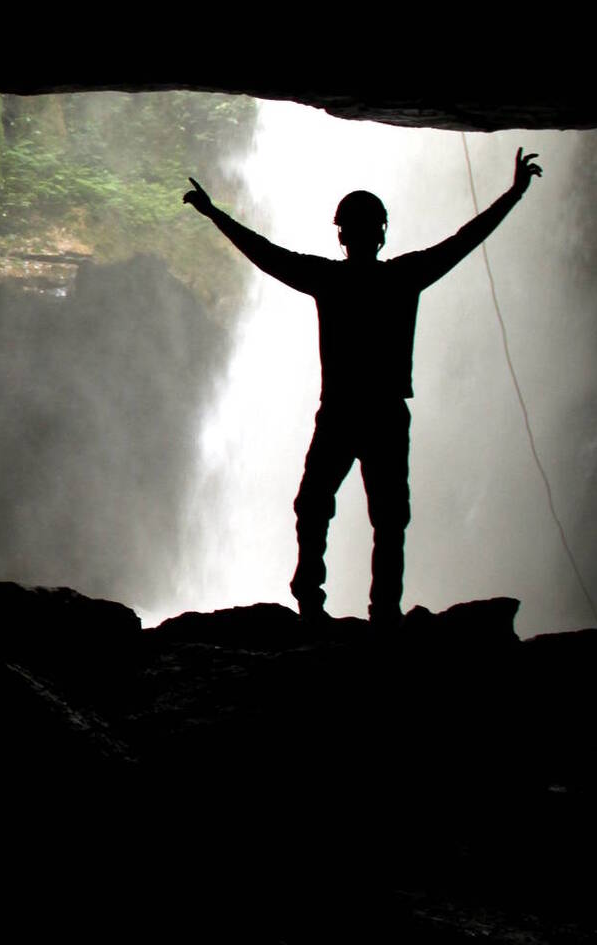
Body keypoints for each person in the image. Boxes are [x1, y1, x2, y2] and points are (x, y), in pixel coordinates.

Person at [183, 147, 543, 626]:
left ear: (342, 233)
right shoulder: (403, 276)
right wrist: (514, 193)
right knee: (388, 519)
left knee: (315, 506)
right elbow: (465, 240)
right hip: (385, 414)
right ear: (381, 232)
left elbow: (265, 254)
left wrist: (214, 215)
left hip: (340, 413)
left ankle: (312, 601)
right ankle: (383, 613)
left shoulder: (328, 278)